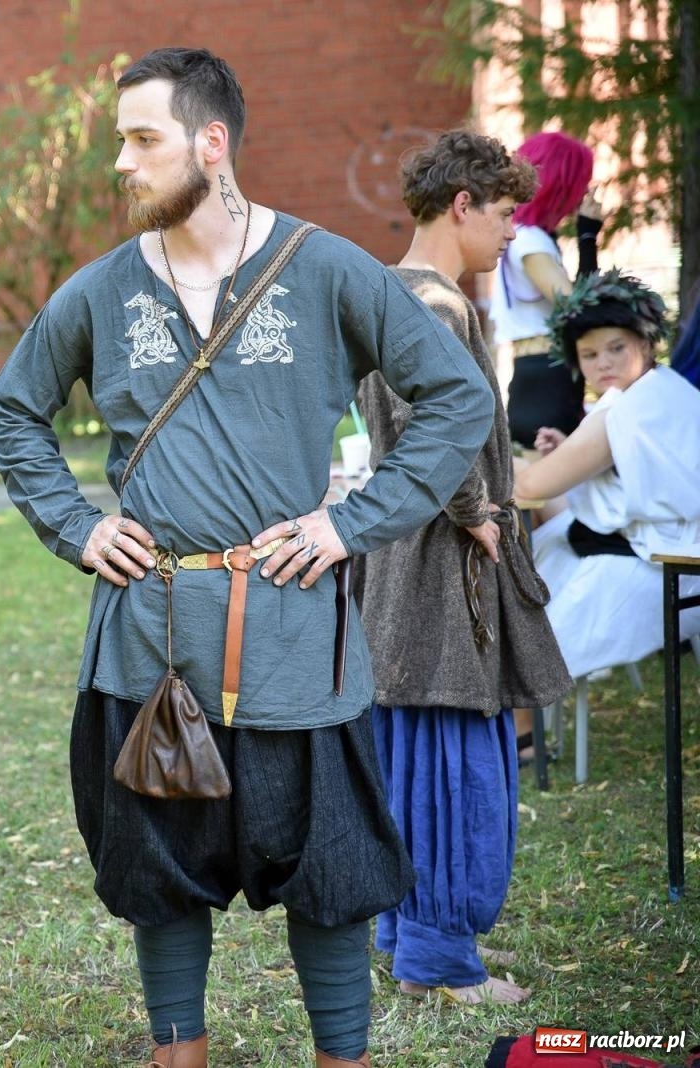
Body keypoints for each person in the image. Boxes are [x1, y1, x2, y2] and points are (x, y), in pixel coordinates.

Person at [0, 47, 493, 1068]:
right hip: (150, 638)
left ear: (210, 145)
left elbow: (458, 399)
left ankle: (338, 1057)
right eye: (119, 141)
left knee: (332, 873)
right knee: (160, 874)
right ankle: (181, 1055)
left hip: (292, 636)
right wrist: (77, 524)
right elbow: (12, 410)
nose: (121, 164)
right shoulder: (100, 292)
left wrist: (354, 521)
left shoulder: (324, 269)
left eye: (142, 140)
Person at [356, 130, 572, 1006]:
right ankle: (442, 963)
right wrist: (479, 513)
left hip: (398, 561)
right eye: (504, 213)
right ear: (461, 205)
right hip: (442, 564)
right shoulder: (439, 307)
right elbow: (424, 435)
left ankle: (408, 939)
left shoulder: (384, 293)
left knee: (411, 747)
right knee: (453, 756)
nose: (511, 233)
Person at [515, 269, 700, 678]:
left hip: (675, 572)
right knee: (553, 547)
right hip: (679, 562)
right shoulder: (666, 387)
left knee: (539, 585)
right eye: (590, 355)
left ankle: (524, 726)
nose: (604, 364)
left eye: (616, 348)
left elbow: (529, 486)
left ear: (647, 343)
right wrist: (575, 455)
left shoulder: (625, 407)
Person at [490, 131, 600, 447]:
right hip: (549, 380)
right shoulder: (530, 240)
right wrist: (588, 238)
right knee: (552, 489)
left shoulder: (523, 237)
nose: (582, 195)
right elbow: (581, 308)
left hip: (536, 376)